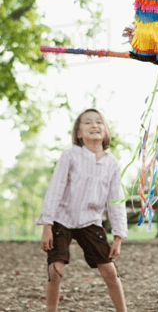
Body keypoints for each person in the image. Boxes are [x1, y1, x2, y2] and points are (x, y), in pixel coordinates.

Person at [38, 109, 128, 312]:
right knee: (55, 270)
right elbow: (55, 189)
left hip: (91, 220)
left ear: (106, 132)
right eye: (87, 123)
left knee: (110, 271)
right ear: (78, 133)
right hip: (62, 218)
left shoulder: (111, 163)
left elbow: (116, 201)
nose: (94, 125)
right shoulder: (70, 155)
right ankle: (50, 310)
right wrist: (47, 225)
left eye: (99, 122)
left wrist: (118, 237)